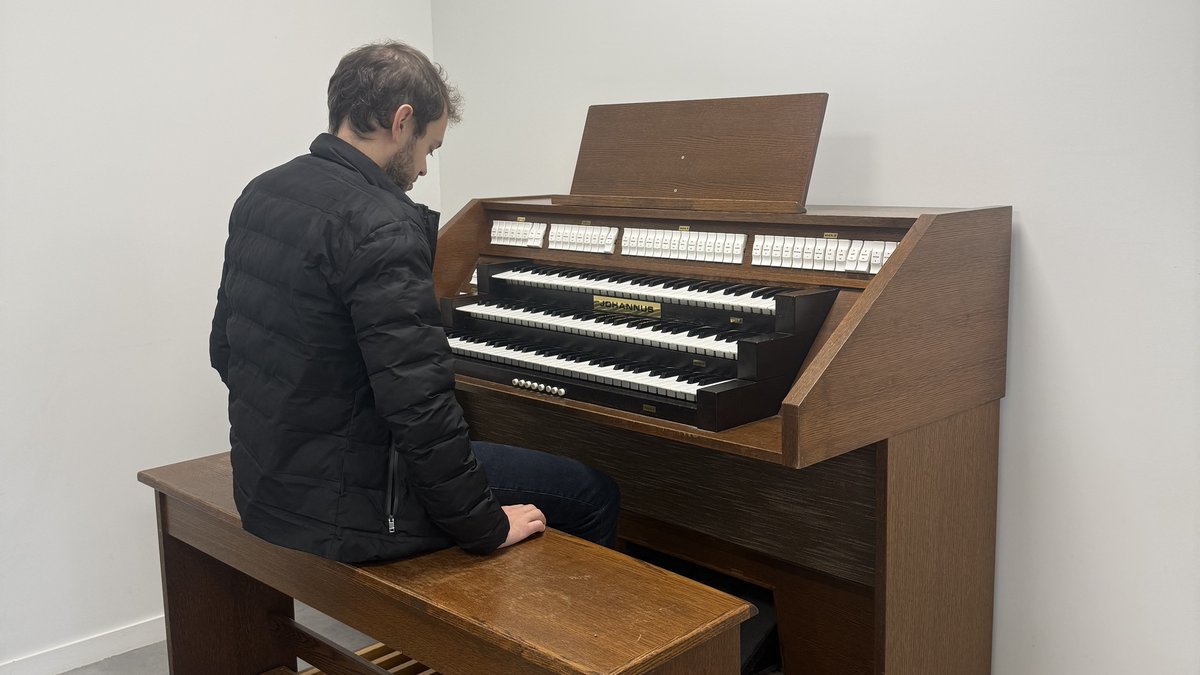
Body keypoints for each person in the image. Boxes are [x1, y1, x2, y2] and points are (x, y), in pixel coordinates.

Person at [209, 41, 619, 563]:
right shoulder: (381, 223)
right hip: (361, 509)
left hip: (268, 485)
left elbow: (225, 350)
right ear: (401, 121)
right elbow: (419, 408)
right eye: (431, 146)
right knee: (592, 493)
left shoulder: (263, 193)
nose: (424, 168)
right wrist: (486, 526)